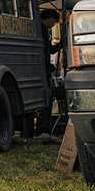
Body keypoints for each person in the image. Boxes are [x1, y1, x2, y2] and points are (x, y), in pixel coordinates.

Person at [34, 9, 61, 140]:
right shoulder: (42, 30)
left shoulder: (37, 28)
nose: (54, 24)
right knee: (46, 97)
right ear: (50, 18)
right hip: (42, 68)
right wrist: (50, 67)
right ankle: (41, 130)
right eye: (54, 21)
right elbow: (45, 50)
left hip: (40, 66)